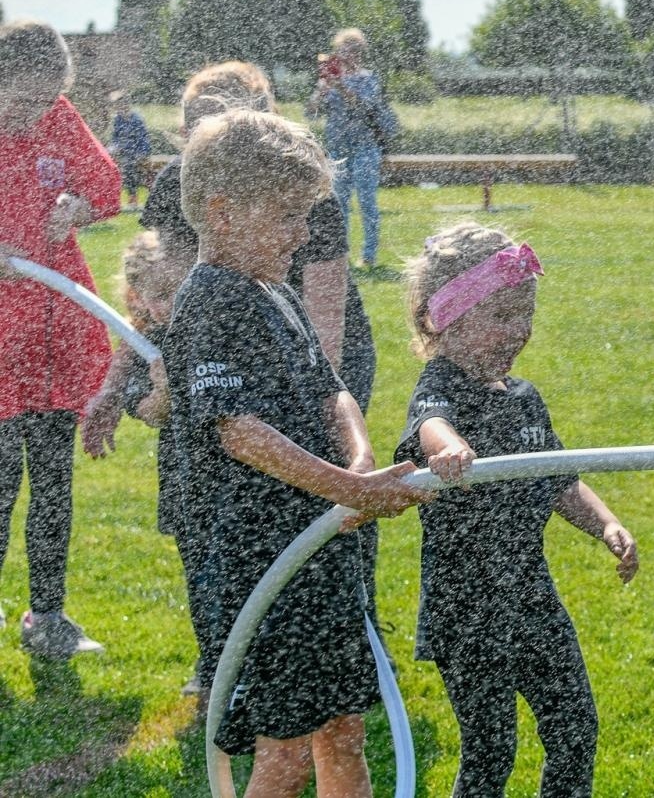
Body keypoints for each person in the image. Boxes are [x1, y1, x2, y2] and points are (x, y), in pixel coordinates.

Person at [163, 108, 431, 795]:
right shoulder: (210, 302)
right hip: (261, 564)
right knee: (281, 754)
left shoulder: (274, 292)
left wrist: (360, 461)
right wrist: (346, 489)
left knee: (343, 732)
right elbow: (239, 431)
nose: (302, 234)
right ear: (222, 212)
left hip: (320, 555)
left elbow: (331, 391)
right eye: (286, 214)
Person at [81, 61, 387, 641]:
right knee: (210, 517)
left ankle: (348, 631)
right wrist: (119, 384)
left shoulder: (294, 185)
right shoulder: (184, 189)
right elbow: (150, 293)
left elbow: (323, 349)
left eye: (218, 123)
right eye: (195, 127)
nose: (204, 140)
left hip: (303, 349)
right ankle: (220, 651)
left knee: (323, 523)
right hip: (222, 376)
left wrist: (343, 463)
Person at [398, 222, 638, 797]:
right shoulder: (442, 386)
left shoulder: (526, 399)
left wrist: (605, 523)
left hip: (530, 593)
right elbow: (428, 421)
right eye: (502, 317)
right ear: (447, 319)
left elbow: (558, 479)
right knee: (491, 750)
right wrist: (447, 445)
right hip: (466, 607)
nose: (520, 330)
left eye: (526, 314)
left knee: (575, 727)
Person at [0, 19, 120, 658]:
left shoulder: (60, 118)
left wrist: (80, 205)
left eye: (46, 99)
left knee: (52, 481)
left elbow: (105, 183)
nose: (34, 113)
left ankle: (46, 618)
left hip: (53, 329)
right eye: (21, 100)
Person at [119, 229, 211, 694]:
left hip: (230, 479)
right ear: (137, 298)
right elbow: (148, 411)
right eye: (158, 296)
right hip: (184, 480)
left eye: (179, 290)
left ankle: (249, 664)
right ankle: (213, 664)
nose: (171, 304)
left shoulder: (211, 327)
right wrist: (163, 390)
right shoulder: (145, 347)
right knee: (200, 576)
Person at [308, 28, 388, 269]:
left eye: (351, 51)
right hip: (337, 149)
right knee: (337, 204)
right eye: (341, 52)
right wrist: (321, 92)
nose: (346, 56)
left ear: (359, 53)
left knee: (367, 202)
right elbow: (310, 113)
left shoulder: (368, 78)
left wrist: (340, 86)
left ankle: (369, 255)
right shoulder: (328, 81)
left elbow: (364, 108)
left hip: (365, 147)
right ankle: (340, 256)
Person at [106, 90, 152, 211]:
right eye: (117, 106)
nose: (119, 108)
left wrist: (142, 153)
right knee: (112, 166)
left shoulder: (136, 119)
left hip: (137, 151)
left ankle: (134, 199)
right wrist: (112, 148)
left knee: (129, 167)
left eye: (121, 105)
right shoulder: (118, 120)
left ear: (127, 105)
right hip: (124, 152)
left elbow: (143, 138)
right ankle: (109, 199)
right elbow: (115, 138)